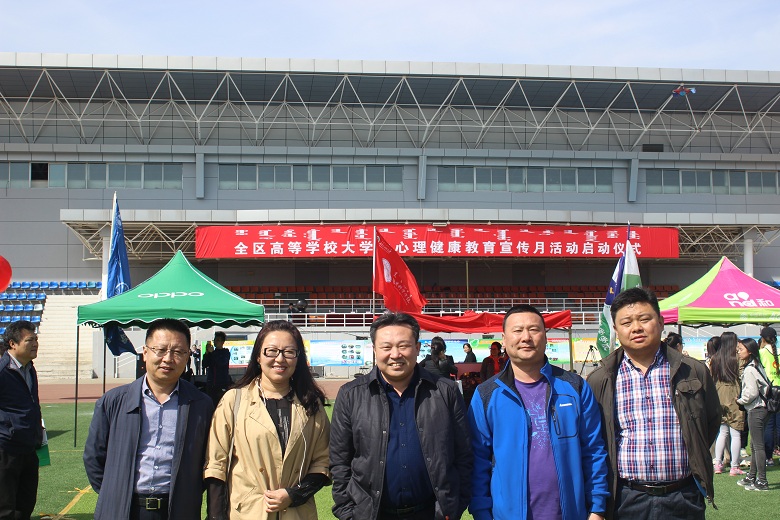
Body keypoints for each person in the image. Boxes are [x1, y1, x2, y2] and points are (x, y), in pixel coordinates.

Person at [587, 287, 720, 519]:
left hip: (683, 496)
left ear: (660, 322)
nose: (636, 328)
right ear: (616, 330)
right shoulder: (601, 379)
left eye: (644, 319)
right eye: (626, 322)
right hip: (626, 498)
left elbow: (710, 421)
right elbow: (596, 438)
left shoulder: (693, 370)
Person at [468, 304, 609, 520]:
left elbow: (593, 450)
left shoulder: (575, 387)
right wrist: (481, 513)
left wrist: (597, 508)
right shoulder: (486, 395)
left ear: (545, 336)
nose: (526, 337)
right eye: (517, 330)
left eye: (534, 330)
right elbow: (478, 461)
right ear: (504, 339)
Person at [330, 312, 472, 519]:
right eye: (386, 347)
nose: (395, 354)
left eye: (403, 346)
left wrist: (454, 507)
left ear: (417, 348)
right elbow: (339, 460)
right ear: (375, 350)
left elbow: (464, 454)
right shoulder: (350, 395)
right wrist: (348, 512)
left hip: (432, 513)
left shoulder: (445, 391)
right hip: (372, 514)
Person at [84, 318, 215, 519]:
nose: (168, 359)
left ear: (188, 356)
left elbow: (209, 461)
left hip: (177, 510)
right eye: (160, 350)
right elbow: (94, 457)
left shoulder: (201, 404)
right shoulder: (113, 401)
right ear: (145, 352)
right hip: (124, 509)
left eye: (178, 352)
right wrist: (115, 492)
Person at [205, 320, 330, 519]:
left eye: (289, 352)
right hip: (246, 513)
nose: (280, 359)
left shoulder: (311, 406)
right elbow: (216, 464)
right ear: (258, 356)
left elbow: (323, 462)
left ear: (298, 358)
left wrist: (294, 495)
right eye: (271, 351)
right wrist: (215, 516)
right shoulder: (234, 400)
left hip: (297, 513)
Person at [0, 320, 43, 520]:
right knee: (5, 506)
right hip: (6, 448)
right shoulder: (2, 371)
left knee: (25, 503)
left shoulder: (30, 368)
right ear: (12, 344)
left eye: (36, 339)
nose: (35, 344)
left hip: (28, 446)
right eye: (29, 340)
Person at [735, 337, 770, 491]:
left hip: (756, 409)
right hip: (764, 408)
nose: (738, 352)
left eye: (741, 349)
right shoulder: (757, 364)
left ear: (749, 351)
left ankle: (762, 480)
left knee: (757, 446)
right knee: (755, 445)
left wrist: (740, 400)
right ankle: (752, 476)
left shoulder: (749, 369)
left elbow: (751, 393)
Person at [710, 333, 745, 476]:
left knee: (722, 432)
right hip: (734, 396)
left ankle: (718, 463)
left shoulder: (715, 358)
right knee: (735, 433)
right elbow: (742, 376)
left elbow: (711, 378)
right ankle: (734, 466)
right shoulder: (737, 358)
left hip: (719, 396)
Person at [758, 326, 780, 467]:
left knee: (768, 425)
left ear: (762, 338)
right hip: (779, 388)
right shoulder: (778, 351)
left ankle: (769, 457)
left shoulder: (761, 353)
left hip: (768, 391)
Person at [202, 331, 232, 406]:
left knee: (221, 405)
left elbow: (221, 362)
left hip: (222, 383)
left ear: (222, 342)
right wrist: (207, 353)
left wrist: (212, 353)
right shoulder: (212, 353)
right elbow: (204, 364)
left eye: (218, 340)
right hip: (211, 384)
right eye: (215, 340)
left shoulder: (225, 352)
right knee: (211, 405)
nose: (215, 342)